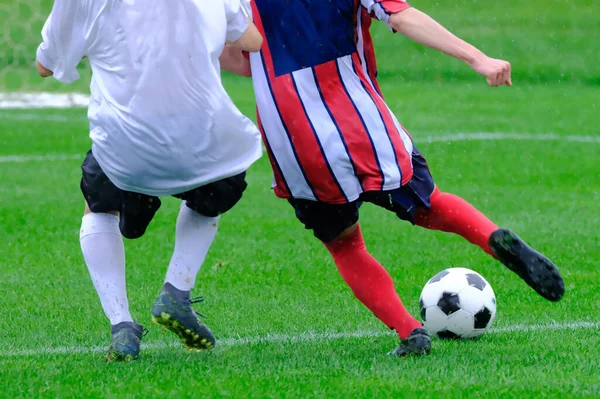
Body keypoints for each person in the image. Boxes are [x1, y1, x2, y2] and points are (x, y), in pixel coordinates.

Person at [221, 0, 565, 356]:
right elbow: (401, 17)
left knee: (345, 245)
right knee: (427, 203)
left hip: (293, 134)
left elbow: (239, 58)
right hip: (360, 121)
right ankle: (492, 237)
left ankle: (410, 333)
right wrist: (477, 58)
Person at [36, 0, 263, 361]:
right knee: (218, 185)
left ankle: (121, 324)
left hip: (126, 152)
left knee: (98, 204)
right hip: (202, 144)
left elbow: (46, 66)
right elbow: (251, 41)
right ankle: (177, 290)